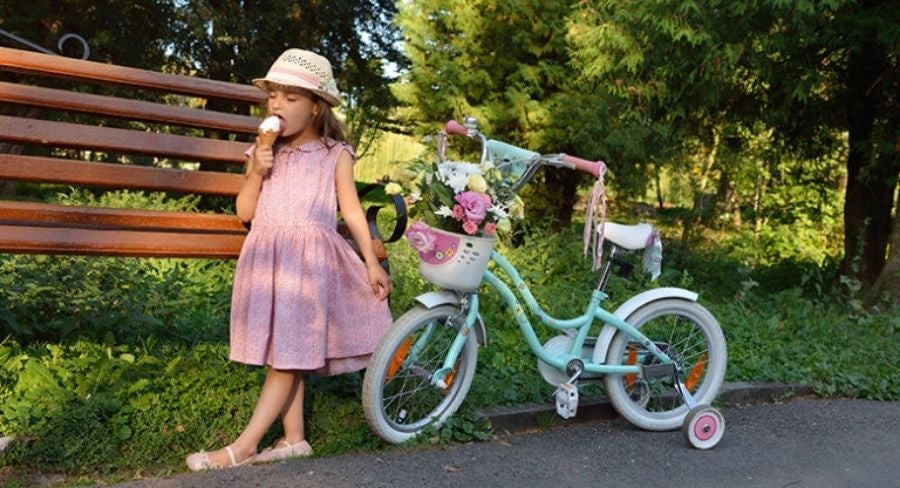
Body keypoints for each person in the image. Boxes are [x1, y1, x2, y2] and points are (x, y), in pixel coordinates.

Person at [186, 48, 393, 471]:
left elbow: (351, 211)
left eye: (290, 97)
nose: (277, 104)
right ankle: (295, 439)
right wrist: (257, 171)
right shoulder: (263, 151)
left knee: (288, 354)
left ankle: (242, 448)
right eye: (273, 95)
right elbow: (245, 212)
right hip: (268, 262)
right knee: (286, 350)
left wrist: (370, 261)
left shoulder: (336, 154)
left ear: (316, 107)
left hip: (310, 264)